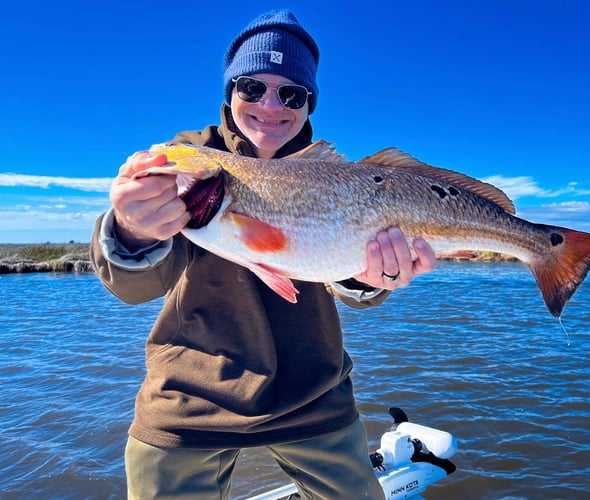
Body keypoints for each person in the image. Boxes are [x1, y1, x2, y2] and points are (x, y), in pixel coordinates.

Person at [91, 9, 437, 499]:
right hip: (189, 397)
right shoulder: (191, 158)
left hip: (315, 392)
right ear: (229, 92)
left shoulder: (341, 176)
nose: (270, 104)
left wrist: (372, 279)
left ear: (308, 103)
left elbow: (344, 278)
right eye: (251, 87)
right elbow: (133, 287)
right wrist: (130, 229)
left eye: (290, 93)